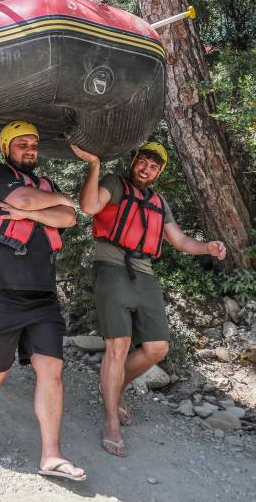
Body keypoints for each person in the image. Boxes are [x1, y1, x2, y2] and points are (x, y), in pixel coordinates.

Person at [73, 141, 227, 458]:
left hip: (143, 272)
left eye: (153, 166)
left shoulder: (158, 201)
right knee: (118, 345)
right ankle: (111, 421)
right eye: (143, 162)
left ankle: (112, 390)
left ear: (158, 172)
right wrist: (94, 166)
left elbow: (181, 241)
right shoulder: (115, 183)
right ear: (135, 162)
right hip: (111, 266)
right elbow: (89, 207)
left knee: (157, 348)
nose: (146, 169)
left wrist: (207, 248)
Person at [0, 120, 86, 482]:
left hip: (40, 292)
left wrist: (32, 212)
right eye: (22, 144)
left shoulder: (48, 185)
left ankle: (52, 455)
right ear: (7, 147)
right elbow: (26, 199)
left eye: (34, 144)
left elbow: (69, 217)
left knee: (51, 371)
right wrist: (41, 207)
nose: (29, 150)